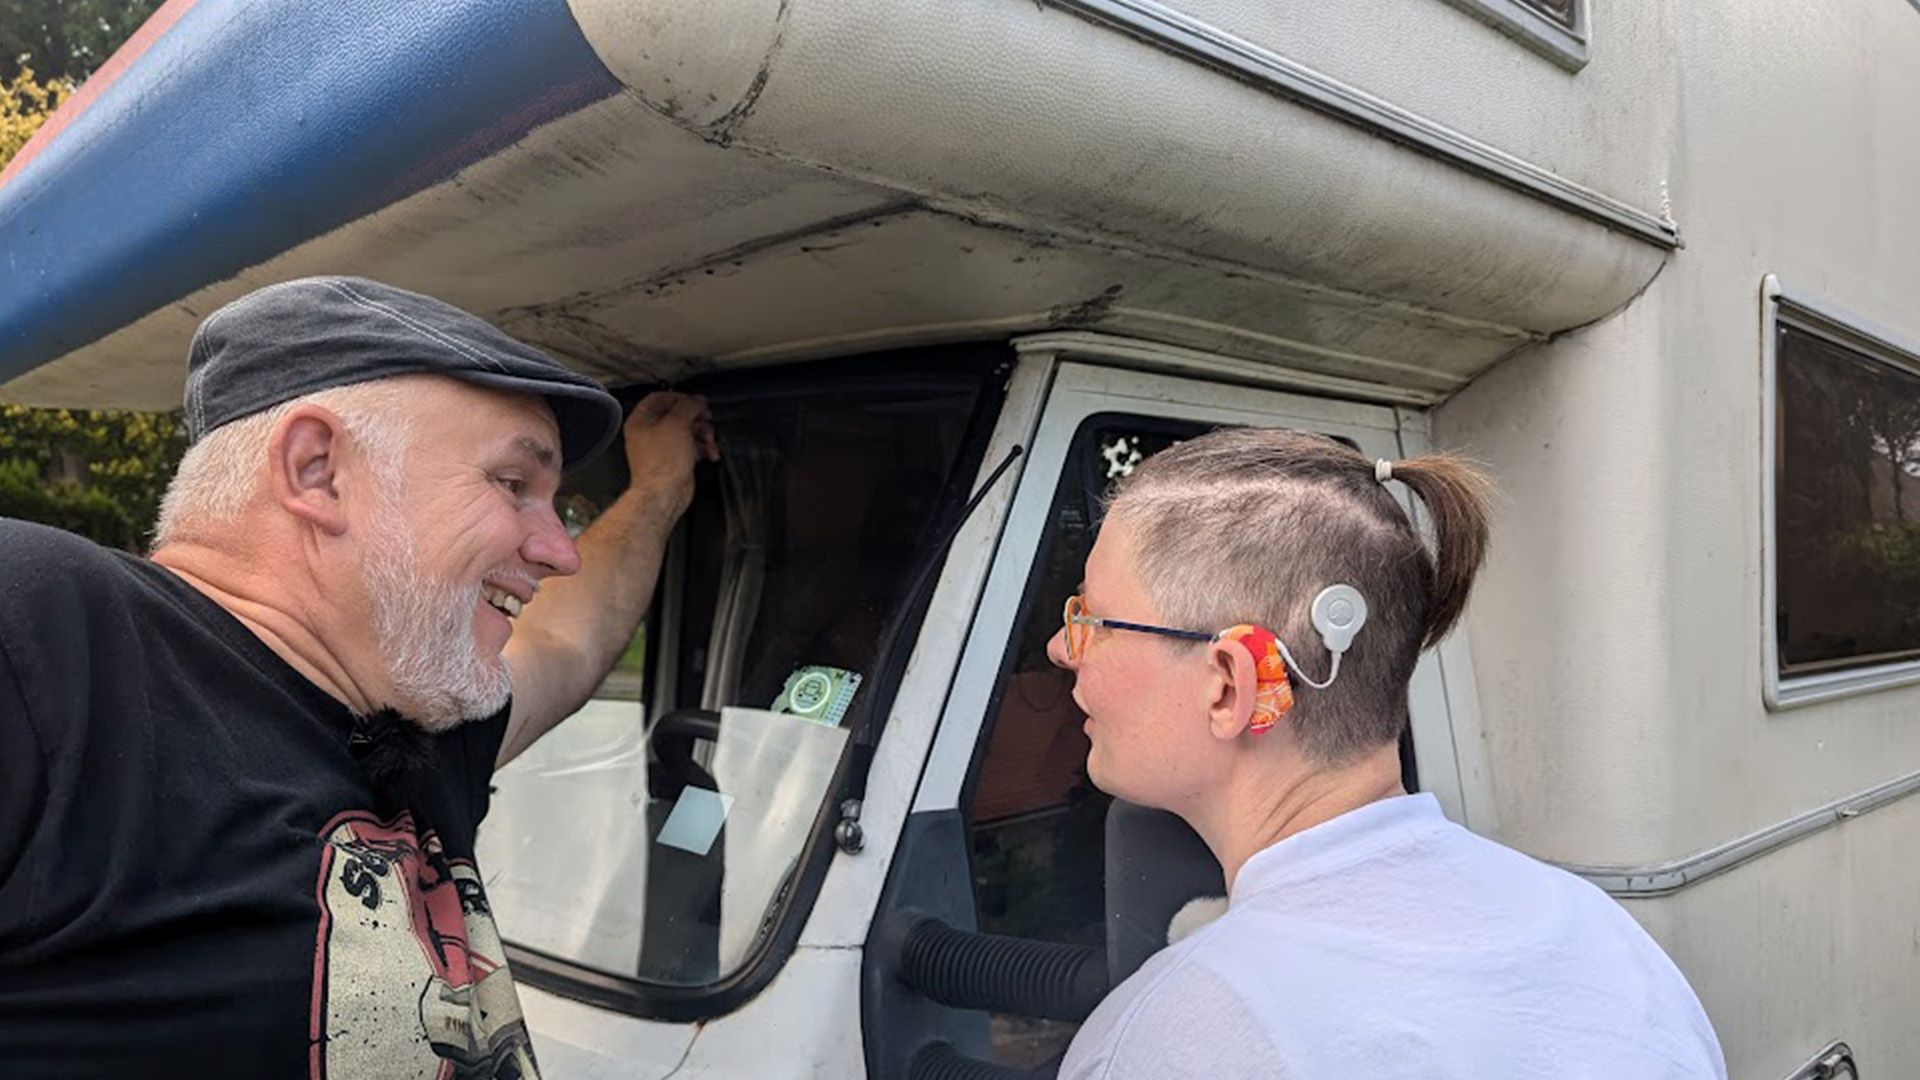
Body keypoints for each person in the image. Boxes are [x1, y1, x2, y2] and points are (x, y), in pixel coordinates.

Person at [0, 276, 718, 1079]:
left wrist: (660, 489)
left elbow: (564, 644)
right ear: (317, 471)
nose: (559, 552)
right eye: (514, 484)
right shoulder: (45, 626)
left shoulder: (414, 723)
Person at [1050, 428, 1725, 1080]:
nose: (1060, 649)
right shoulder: (1605, 935)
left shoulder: (1162, 1042)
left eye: (1091, 621)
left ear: (1229, 685)